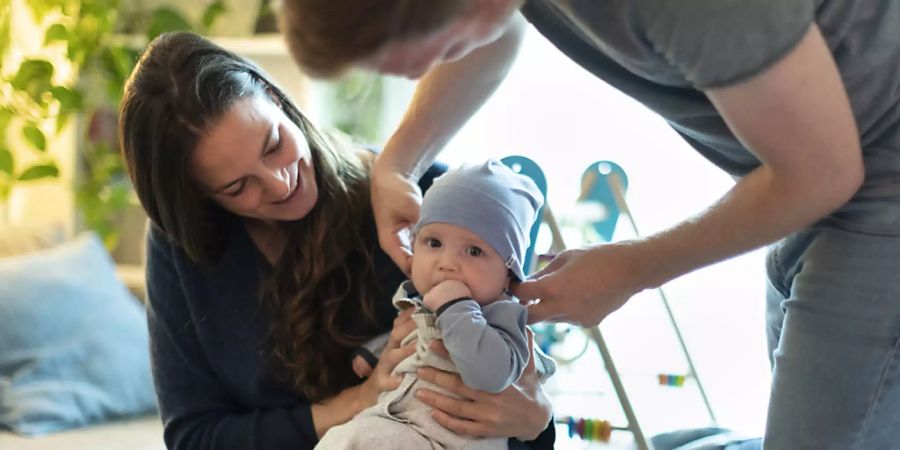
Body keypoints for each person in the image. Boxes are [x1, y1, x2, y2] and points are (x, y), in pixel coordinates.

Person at [279, 0, 900, 448]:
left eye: (414, 55)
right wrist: (398, 162)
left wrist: (633, 267)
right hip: (816, 187)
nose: (415, 77)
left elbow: (821, 171)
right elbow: (490, 29)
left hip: (868, 187)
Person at [117, 31, 556, 450]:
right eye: (238, 187)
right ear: (200, 199)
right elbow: (193, 439)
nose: (280, 182)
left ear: (277, 100)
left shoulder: (428, 203)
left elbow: (524, 402)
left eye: (274, 145)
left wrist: (537, 421)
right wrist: (357, 403)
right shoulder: (184, 247)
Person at [317, 161, 556, 449]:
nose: (447, 264)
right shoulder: (420, 304)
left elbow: (491, 375)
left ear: (508, 274)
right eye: (433, 243)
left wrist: (457, 307)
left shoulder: (502, 317)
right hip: (404, 424)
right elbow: (414, 339)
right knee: (345, 438)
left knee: (352, 440)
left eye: (474, 251)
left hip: (452, 440)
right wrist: (375, 353)